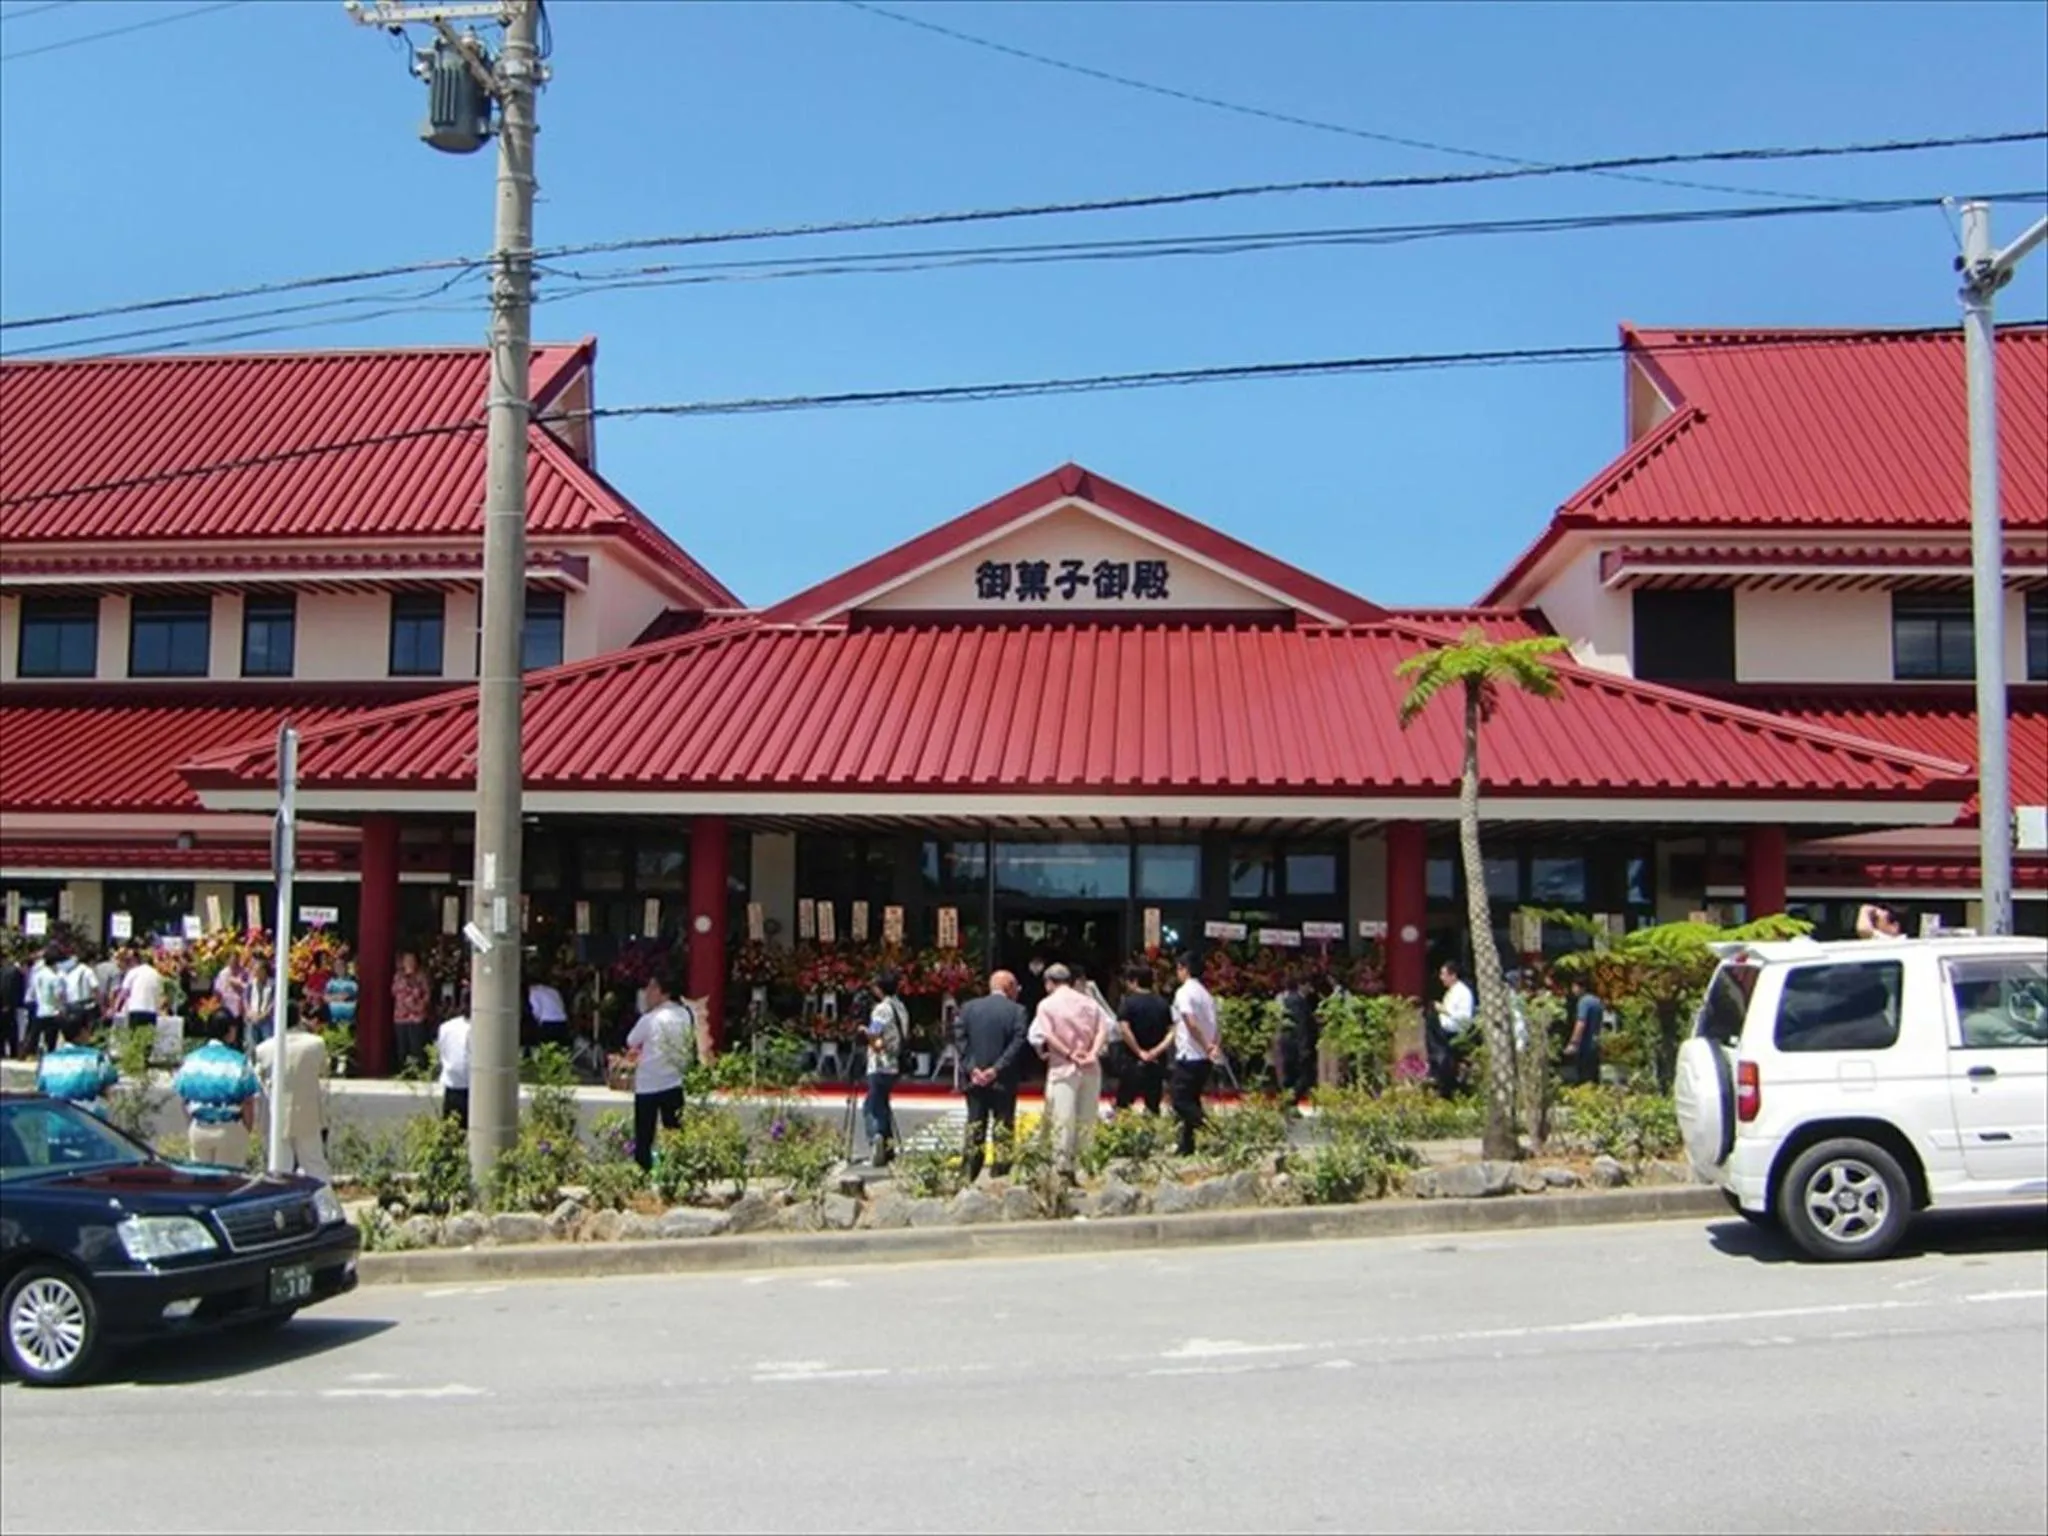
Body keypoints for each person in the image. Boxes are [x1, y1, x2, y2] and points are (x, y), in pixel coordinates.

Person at [1028, 962, 1107, 1177]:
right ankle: (1085, 1166)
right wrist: (1092, 1052)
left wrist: (1069, 1053)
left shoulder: (1047, 1005)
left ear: (1049, 983)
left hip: (1063, 1067)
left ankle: (1062, 1167)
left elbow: (1048, 1035)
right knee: (1087, 1119)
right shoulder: (1089, 1003)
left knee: (1063, 1119)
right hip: (1090, 1066)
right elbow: (1103, 1030)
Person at [953, 969, 1029, 1181]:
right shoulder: (1017, 1011)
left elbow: (960, 1039)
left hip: (975, 1079)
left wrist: (972, 1068)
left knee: (975, 1125)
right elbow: (1018, 1043)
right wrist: (997, 1068)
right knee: (1003, 1126)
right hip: (1003, 1079)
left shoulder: (969, 1008)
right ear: (1010, 987)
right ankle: (1001, 1175)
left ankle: (968, 1174)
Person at [625, 969, 695, 1171]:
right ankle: (677, 1171)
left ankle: (643, 1173)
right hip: (674, 1081)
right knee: (675, 1133)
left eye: (650, 988)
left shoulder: (650, 1019)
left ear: (661, 991)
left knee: (644, 1136)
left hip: (649, 1084)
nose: (647, 993)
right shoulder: (684, 1014)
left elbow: (631, 1040)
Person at [254, 998, 331, 1179]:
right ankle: (323, 1199)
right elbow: (323, 1070)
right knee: (315, 1165)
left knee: (280, 1169)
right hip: (307, 1113)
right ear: (298, 1018)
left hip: (276, 1115)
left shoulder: (263, 1049)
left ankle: (284, 1199)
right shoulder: (315, 1044)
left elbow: (259, 1080)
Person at [173, 1014, 261, 1169]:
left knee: (201, 1180)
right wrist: (247, 1129)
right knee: (229, 1180)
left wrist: (192, 1124)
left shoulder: (191, 1059)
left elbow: (182, 1098)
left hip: (199, 1127)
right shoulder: (239, 1061)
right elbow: (248, 1101)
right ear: (230, 1031)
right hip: (229, 1128)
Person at [1169, 952, 1222, 1157]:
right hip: (1203, 1057)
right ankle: (1187, 1144)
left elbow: (1190, 1022)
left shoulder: (1184, 992)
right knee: (1192, 1098)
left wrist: (1206, 1045)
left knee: (1180, 1100)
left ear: (1185, 969)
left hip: (1190, 1054)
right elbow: (1217, 1025)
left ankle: (1211, 1130)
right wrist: (1214, 1045)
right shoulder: (1206, 995)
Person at [862, 968, 909, 1167]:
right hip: (895, 1063)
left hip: (881, 1062)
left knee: (871, 1106)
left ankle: (877, 1139)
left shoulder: (882, 1009)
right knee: (882, 1102)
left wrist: (864, 1032)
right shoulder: (900, 1006)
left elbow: (874, 1033)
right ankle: (888, 1147)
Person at [1114, 965, 1174, 1114]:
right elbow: (1172, 1031)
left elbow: (1124, 1029)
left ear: (1134, 981)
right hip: (1157, 1060)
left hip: (1131, 1059)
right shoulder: (1162, 1003)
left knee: (1124, 1104)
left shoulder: (1128, 1003)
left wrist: (1139, 1051)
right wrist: (1156, 1051)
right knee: (1153, 1104)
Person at [35, 1012, 120, 1117]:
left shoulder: (47, 1061)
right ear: (83, 1030)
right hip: (88, 1122)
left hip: (56, 1122)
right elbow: (109, 1088)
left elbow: (42, 1090)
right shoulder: (97, 1058)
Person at [1429, 962, 1475, 1099]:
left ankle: (1444, 1079)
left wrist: (1444, 1010)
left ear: (1453, 975)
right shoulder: (1452, 991)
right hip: (1444, 1028)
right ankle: (1436, 1071)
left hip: (1455, 1031)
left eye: (1444, 974)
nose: (1441, 978)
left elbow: (1464, 1018)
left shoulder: (1463, 993)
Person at [113, 947, 164, 1048]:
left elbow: (123, 993)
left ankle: (135, 1055)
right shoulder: (156, 974)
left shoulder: (133, 972)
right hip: (151, 1011)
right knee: (148, 1041)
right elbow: (160, 994)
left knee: (134, 1039)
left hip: (135, 1009)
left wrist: (116, 1009)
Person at [436, 997, 473, 1128]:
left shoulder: (446, 1027)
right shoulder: (483, 1029)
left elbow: (442, 1052)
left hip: (452, 1083)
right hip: (471, 1086)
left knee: (452, 1131)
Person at [392, 951, 432, 1070]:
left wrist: (421, 1005)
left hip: (416, 1016)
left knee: (417, 1045)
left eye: (412, 960)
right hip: (401, 1016)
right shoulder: (398, 976)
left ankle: (418, 1070)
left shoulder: (421, 976)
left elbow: (427, 993)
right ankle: (403, 1070)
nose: (409, 963)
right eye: (407, 961)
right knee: (402, 1046)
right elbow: (394, 991)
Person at [1566, 977, 1605, 1087]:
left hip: (1585, 1045)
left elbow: (1581, 1023)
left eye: (1574, 987)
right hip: (1595, 1043)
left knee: (1584, 1076)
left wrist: (1573, 1043)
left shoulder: (1583, 1002)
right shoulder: (1597, 1001)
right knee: (1594, 1076)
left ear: (1582, 988)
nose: (1573, 989)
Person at [29, 945, 67, 1056]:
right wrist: (62, 1006)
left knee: (34, 1036)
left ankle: (28, 1054)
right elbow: (58, 995)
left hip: (40, 1010)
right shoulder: (53, 977)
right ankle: (49, 1056)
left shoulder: (38, 974)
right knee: (51, 1041)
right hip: (52, 1011)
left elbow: (33, 992)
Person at [527, 971, 570, 1051]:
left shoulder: (533, 991)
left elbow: (536, 1009)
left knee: (546, 1048)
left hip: (547, 1022)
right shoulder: (553, 990)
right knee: (560, 1048)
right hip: (562, 1020)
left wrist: (536, 1020)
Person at [213, 950, 252, 1030]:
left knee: (241, 1032)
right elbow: (218, 990)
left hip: (242, 1009)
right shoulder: (223, 973)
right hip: (227, 1008)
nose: (234, 963)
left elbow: (249, 988)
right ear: (228, 961)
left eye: (236, 960)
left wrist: (238, 985)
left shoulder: (245, 972)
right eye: (232, 961)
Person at [245, 954, 278, 1048]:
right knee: (251, 1043)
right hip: (253, 1017)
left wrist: (264, 1014)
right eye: (254, 970)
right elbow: (246, 999)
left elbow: (273, 1002)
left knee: (268, 1043)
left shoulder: (272, 984)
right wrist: (249, 1012)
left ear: (264, 971)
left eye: (257, 970)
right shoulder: (251, 984)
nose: (255, 972)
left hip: (266, 1018)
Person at [324, 955, 359, 1034]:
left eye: (341, 965)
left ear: (345, 966)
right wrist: (339, 997)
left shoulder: (352, 980)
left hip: (350, 1022)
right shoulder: (331, 982)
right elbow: (326, 998)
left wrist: (333, 997)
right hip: (334, 1021)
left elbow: (346, 996)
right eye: (336, 966)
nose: (339, 968)